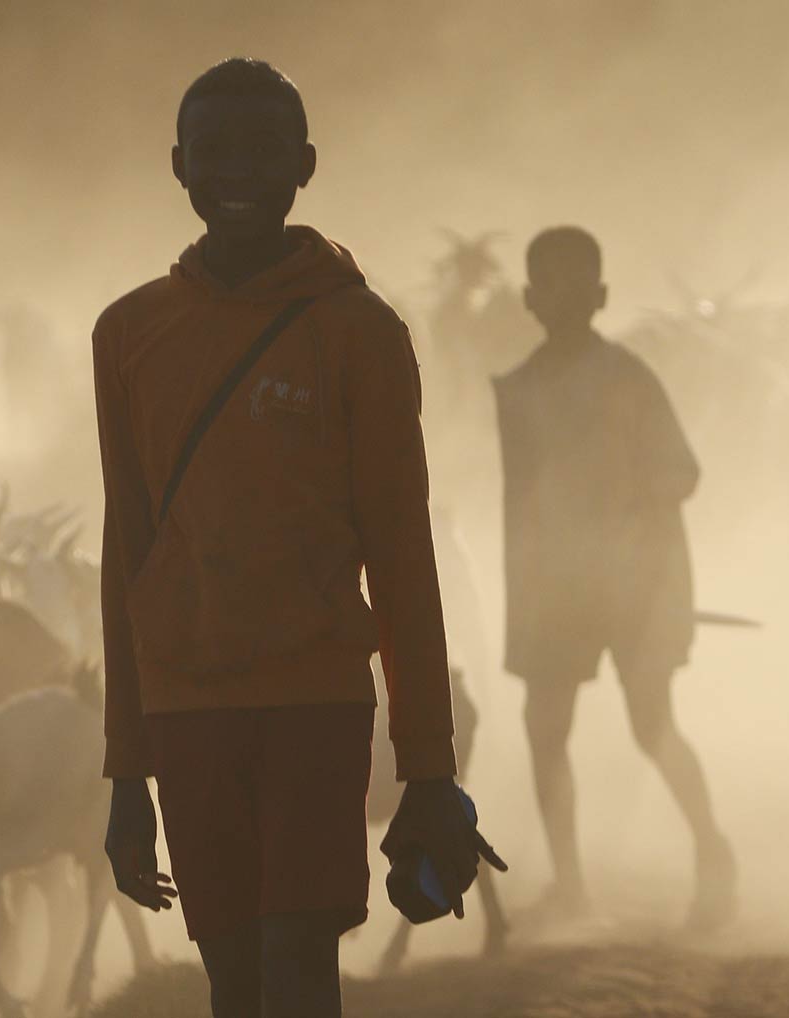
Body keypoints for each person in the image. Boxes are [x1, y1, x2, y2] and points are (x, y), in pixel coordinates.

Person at [95, 58, 501, 1017]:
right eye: (214, 150)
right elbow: (128, 555)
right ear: (178, 166)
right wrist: (125, 771)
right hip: (186, 704)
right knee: (233, 981)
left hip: (313, 698)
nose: (237, 170)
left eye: (263, 149)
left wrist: (429, 765)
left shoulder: (360, 331)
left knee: (298, 967)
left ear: (305, 165)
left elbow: (403, 558)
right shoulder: (128, 333)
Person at [494, 226, 736, 931]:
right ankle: (571, 887)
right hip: (554, 589)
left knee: (651, 723)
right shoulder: (518, 391)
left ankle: (712, 850)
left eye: (578, 286)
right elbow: (520, 504)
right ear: (529, 298)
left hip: (636, 583)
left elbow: (683, 472)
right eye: (551, 286)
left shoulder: (629, 379)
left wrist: (625, 517)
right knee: (545, 728)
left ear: (600, 296)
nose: (564, 300)